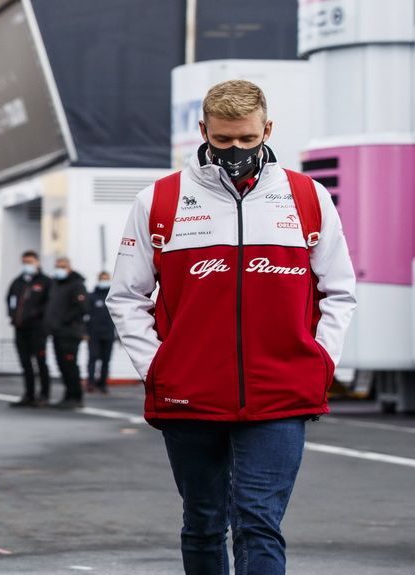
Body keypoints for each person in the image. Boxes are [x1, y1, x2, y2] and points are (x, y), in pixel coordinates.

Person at [107, 79, 356, 574]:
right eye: (222, 141)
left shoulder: (308, 198)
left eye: (247, 139)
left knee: (259, 520)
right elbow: (127, 297)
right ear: (203, 131)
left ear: (268, 129)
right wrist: (159, 368)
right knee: (202, 521)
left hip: (281, 391)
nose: (235, 151)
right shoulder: (159, 200)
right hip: (189, 392)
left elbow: (340, 291)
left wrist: (320, 362)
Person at [6, 250, 51, 407]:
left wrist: (37, 316)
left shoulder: (45, 282)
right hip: (20, 328)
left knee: (40, 362)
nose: (27, 265)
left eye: (30, 262)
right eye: (25, 262)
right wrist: (12, 316)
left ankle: (44, 395)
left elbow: (49, 305)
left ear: (37, 262)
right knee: (25, 363)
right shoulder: (18, 282)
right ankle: (29, 394)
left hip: (37, 329)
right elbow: (10, 301)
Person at [42, 257, 87, 409]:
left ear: (69, 267)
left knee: (70, 364)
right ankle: (68, 395)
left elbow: (81, 307)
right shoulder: (55, 284)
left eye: (62, 266)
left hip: (70, 332)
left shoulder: (77, 284)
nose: (59, 269)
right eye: (57, 266)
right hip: (57, 332)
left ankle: (76, 396)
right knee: (62, 365)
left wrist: (63, 321)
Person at [85, 271, 115, 394]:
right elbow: (85, 315)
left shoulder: (113, 297)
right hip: (94, 333)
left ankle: (102, 383)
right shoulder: (92, 296)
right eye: (102, 279)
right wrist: (85, 332)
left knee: (106, 360)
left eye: (106, 279)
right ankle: (90, 383)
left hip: (108, 333)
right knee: (93, 358)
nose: (104, 281)